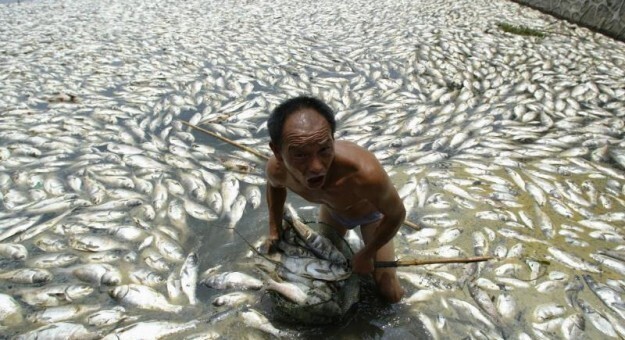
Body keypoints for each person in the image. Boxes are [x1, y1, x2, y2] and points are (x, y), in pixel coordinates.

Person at [265, 96, 406, 303]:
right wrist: (274, 229)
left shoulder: (364, 174)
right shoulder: (277, 170)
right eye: (301, 155)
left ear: (332, 138)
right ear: (277, 151)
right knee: (328, 274)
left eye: (324, 150)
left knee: (388, 291)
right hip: (333, 213)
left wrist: (367, 254)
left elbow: (397, 214)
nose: (316, 167)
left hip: (372, 216)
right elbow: (274, 188)